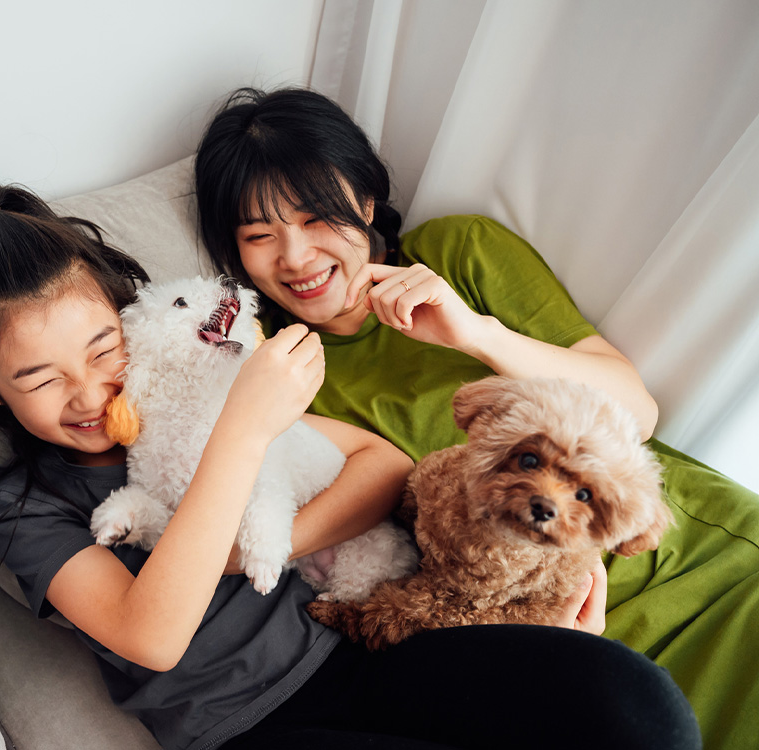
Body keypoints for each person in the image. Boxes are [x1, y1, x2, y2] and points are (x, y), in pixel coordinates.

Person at [0, 183, 700, 750]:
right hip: (254, 721)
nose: (91, 393)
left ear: (134, 322)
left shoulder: (196, 393)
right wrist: (242, 432)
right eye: (41, 379)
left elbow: (383, 465)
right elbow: (150, 633)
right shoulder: (23, 506)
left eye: (103, 353)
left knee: (636, 705)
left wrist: (261, 544)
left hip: (370, 644)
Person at [195, 86, 758, 749]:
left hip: (702, 565)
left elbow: (637, 413)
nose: (294, 257)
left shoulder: (459, 251)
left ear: (367, 202)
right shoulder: (276, 370)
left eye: (317, 218)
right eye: (260, 236)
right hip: (538, 632)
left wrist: (474, 335)